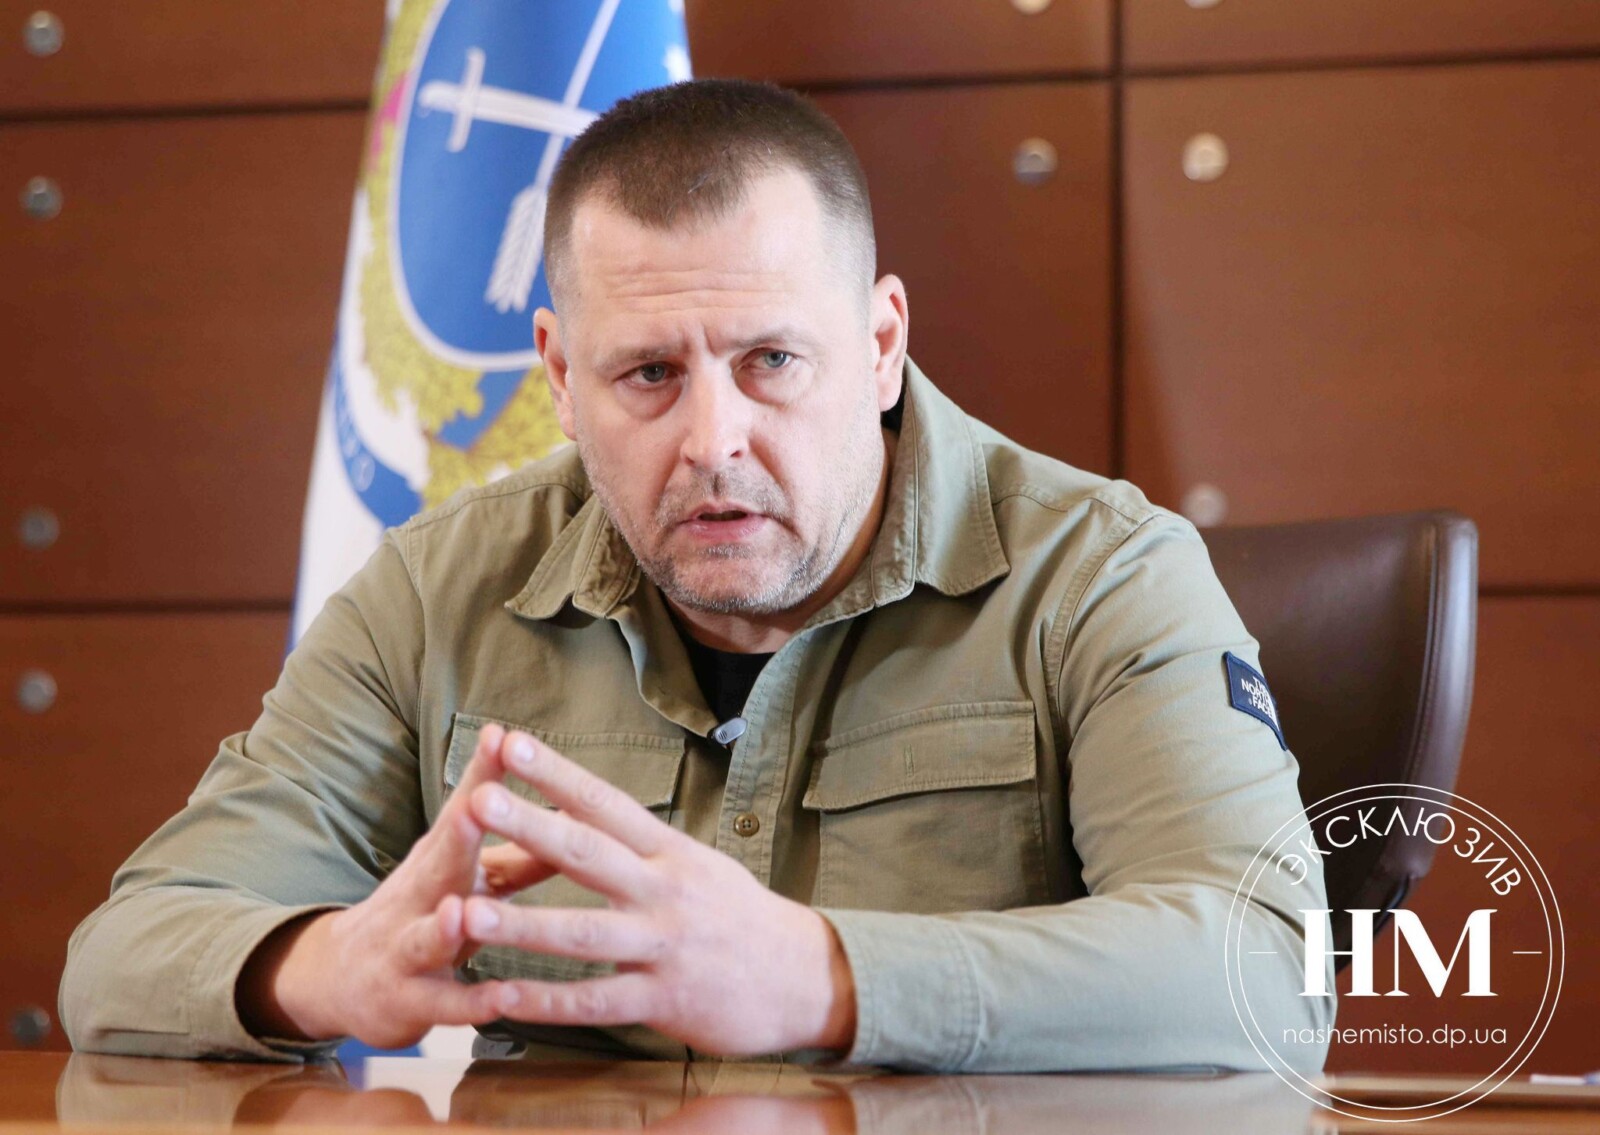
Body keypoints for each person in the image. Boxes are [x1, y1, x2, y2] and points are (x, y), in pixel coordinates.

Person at [61, 79, 1334, 1073]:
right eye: (648, 374)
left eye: (771, 361)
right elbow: (121, 954)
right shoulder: (436, 593)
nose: (713, 439)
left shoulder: (1100, 573)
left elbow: (1264, 971)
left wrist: (825, 977)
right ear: (562, 378)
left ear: (879, 344)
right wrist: (328, 965)